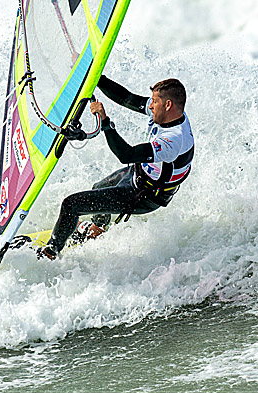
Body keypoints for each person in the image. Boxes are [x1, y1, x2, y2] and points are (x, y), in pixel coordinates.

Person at [37, 74, 195, 259]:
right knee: (98, 188)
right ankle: (97, 230)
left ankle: (50, 253)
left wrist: (105, 122)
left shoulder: (174, 140)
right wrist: (97, 78)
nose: (149, 106)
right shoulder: (168, 115)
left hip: (144, 195)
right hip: (139, 175)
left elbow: (125, 155)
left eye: (154, 102)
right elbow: (127, 98)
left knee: (71, 205)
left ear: (168, 105)